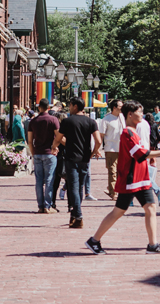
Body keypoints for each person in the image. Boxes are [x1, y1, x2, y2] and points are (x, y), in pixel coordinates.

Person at [85, 101, 160, 255]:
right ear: (130, 114)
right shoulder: (127, 133)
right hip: (131, 179)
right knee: (119, 211)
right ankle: (94, 240)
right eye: (139, 112)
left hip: (141, 178)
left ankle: (153, 244)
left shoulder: (133, 132)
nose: (142, 114)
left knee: (150, 207)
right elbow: (140, 154)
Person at [53, 97, 101, 228]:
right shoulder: (91, 122)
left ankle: (78, 215)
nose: (69, 107)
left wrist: (54, 146)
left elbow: (58, 137)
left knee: (73, 186)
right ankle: (74, 214)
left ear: (75, 106)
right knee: (80, 186)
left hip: (71, 157)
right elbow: (99, 140)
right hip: (85, 158)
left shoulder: (68, 121)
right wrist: (93, 152)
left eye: (70, 105)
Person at [27, 99, 61, 214]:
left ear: (39, 107)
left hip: (37, 152)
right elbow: (58, 136)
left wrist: (33, 153)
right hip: (50, 154)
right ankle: (47, 206)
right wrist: (55, 146)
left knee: (39, 181)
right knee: (49, 180)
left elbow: (30, 141)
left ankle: (40, 206)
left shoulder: (33, 121)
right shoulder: (53, 120)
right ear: (48, 108)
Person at [99, 99, 124, 200]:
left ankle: (114, 189)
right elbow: (101, 135)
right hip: (111, 148)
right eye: (120, 107)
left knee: (120, 171)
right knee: (112, 171)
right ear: (114, 108)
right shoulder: (106, 119)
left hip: (122, 148)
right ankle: (114, 193)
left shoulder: (123, 118)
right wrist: (98, 148)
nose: (122, 108)